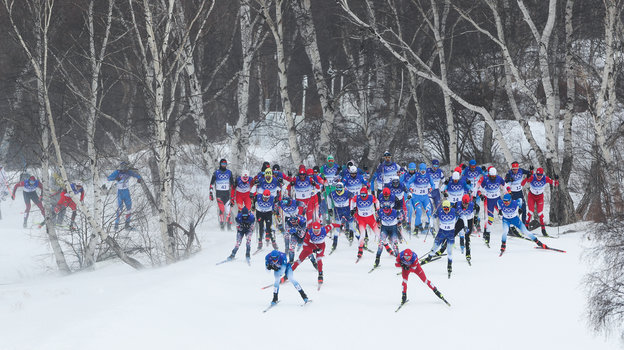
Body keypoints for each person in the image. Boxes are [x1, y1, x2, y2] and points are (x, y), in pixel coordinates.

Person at [291, 221, 340, 288]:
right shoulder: (309, 232)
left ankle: (320, 274)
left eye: (317, 230)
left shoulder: (324, 230)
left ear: (320, 228)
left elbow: (332, 225)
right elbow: (305, 246)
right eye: (314, 230)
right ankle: (289, 271)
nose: (316, 232)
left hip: (321, 246)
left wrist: (341, 226)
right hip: (311, 246)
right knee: (300, 259)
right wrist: (312, 250)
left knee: (318, 258)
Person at [421, 200, 458, 279]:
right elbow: (431, 218)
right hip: (441, 232)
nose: (446, 211)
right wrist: (431, 225)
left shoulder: (454, 211)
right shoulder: (439, 211)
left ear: (450, 207)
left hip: (451, 233)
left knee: (449, 251)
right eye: (444, 209)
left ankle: (449, 265)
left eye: (447, 209)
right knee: (434, 247)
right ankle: (429, 257)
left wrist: (464, 226)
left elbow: (463, 216)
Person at [521, 167, 559, 236]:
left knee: (540, 213)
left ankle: (543, 230)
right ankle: (525, 228)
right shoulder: (533, 177)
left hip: (540, 197)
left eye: (540, 175)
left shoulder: (545, 178)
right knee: (530, 211)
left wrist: (556, 179)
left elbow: (555, 184)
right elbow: (522, 184)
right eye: (538, 175)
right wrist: (527, 177)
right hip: (531, 196)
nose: (539, 177)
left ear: (542, 175)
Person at [476, 167, 508, 246]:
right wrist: (481, 196)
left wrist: (508, 193)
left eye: (494, 176)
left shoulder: (499, 178)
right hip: (489, 200)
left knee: (504, 213)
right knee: (490, 218)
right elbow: (479, 189)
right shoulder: (486, 179)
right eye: (492, 176)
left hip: (497, 199)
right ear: (489, 175)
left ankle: (510, 228)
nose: (493, 178)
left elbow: (505, 186)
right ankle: (487, 234)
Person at [405, 163, 435, 235]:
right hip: (416, 197)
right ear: (419, 170)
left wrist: (431, 188)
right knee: (419, 212)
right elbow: (408, 183)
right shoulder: (416, 176)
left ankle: (432, 228)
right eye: (421, 170)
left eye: (424, 170)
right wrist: (410, 189)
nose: (423, 172)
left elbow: (433, 185)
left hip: (425, 197)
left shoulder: (428, 176)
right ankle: (416, 228)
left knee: (429, 212)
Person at [350, 186, 380, 261]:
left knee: (378, 233)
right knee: (362, 234)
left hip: (370, 218)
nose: (363, 196)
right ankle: (360, 250)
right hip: (361, 219)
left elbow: (377, 201)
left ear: (367, 194)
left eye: (364, 195)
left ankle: (387, 247)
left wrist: (377, 209)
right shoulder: (357, 197)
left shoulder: (370, 197)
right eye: (362, 195)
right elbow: (352, 201)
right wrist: (352, 209)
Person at [210, 159, 235, 230]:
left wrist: (233, 196)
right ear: (220, 164)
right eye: (222, 164)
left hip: (227, 193)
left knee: (228, 210)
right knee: (222, 209)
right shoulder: (216, 173)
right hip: (219, 194)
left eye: (225, 164)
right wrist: (210, 194)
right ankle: (222, 227)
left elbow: (232, 185)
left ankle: (229, 228)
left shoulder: (229, 172)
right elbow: (211, 184)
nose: (224, 165)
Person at [330, 182, 355, 250]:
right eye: (337, 189)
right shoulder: (333, 193)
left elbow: (354, 198)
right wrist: (330, 209)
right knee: (337, 228)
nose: (339, 190)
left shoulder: (347, 192)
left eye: (340, 189)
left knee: (352, 226)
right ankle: (334, 244)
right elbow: (329, 198)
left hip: (347, 210)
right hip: (338, 211)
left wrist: (353, 208)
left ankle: (354, 238)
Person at [374, 203, 400, 268]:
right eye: (385, 212)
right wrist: (377, 221)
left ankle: (399, 260)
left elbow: (400, 216)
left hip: (393, 229)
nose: (386, 213)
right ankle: (377, 259)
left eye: (387, 211)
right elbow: (377, 215)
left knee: (394, 244)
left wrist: (399, 221)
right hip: (384, 228)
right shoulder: (380, 211)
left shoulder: (395, 212)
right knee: (381, 243)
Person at [462, 160, 485, 232]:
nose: (473, 168)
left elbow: (485, 175)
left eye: (474, 166)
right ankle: (470, 225)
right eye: (471, 166)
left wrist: (484, 170)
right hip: (469, 191)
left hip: (477, 190)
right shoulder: (466, 170)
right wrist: (466, 180)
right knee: (470, 207)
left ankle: (477, 223)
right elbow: (461, 177)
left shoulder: (478, 169)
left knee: (477, 207)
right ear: (469, 166)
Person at [320, 155, 341, 224]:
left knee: (335, 201)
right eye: (329, 161)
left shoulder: (336, 166)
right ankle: (328, 218)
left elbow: (340, 174)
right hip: (327, 186)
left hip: (334, 186)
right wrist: (323, 177)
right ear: (327, 161)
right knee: (327, 200)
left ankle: (337, 217)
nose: (331, 163)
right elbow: (320, 174)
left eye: (332, 161)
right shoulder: (324, 167)